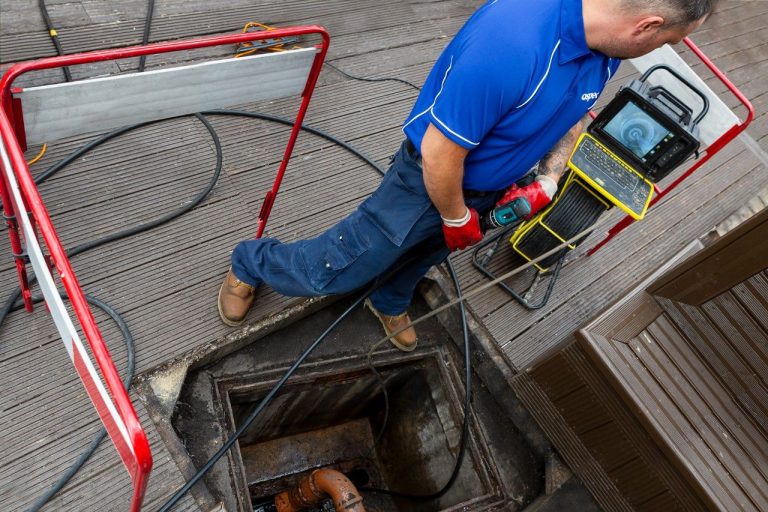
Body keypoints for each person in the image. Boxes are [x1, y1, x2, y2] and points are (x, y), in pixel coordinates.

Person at [218, 0, 713, 350]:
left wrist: (550, 175)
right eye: (666, 41)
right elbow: (438, 154)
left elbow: (577, 112)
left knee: (424, 255)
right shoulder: (514, 45)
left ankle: (389, 300)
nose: (654, 51)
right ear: (646, 26)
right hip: (428, 183)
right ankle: (251, 264)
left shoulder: (604, 50)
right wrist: (456, 217)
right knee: (342, 264)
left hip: (491, 188)